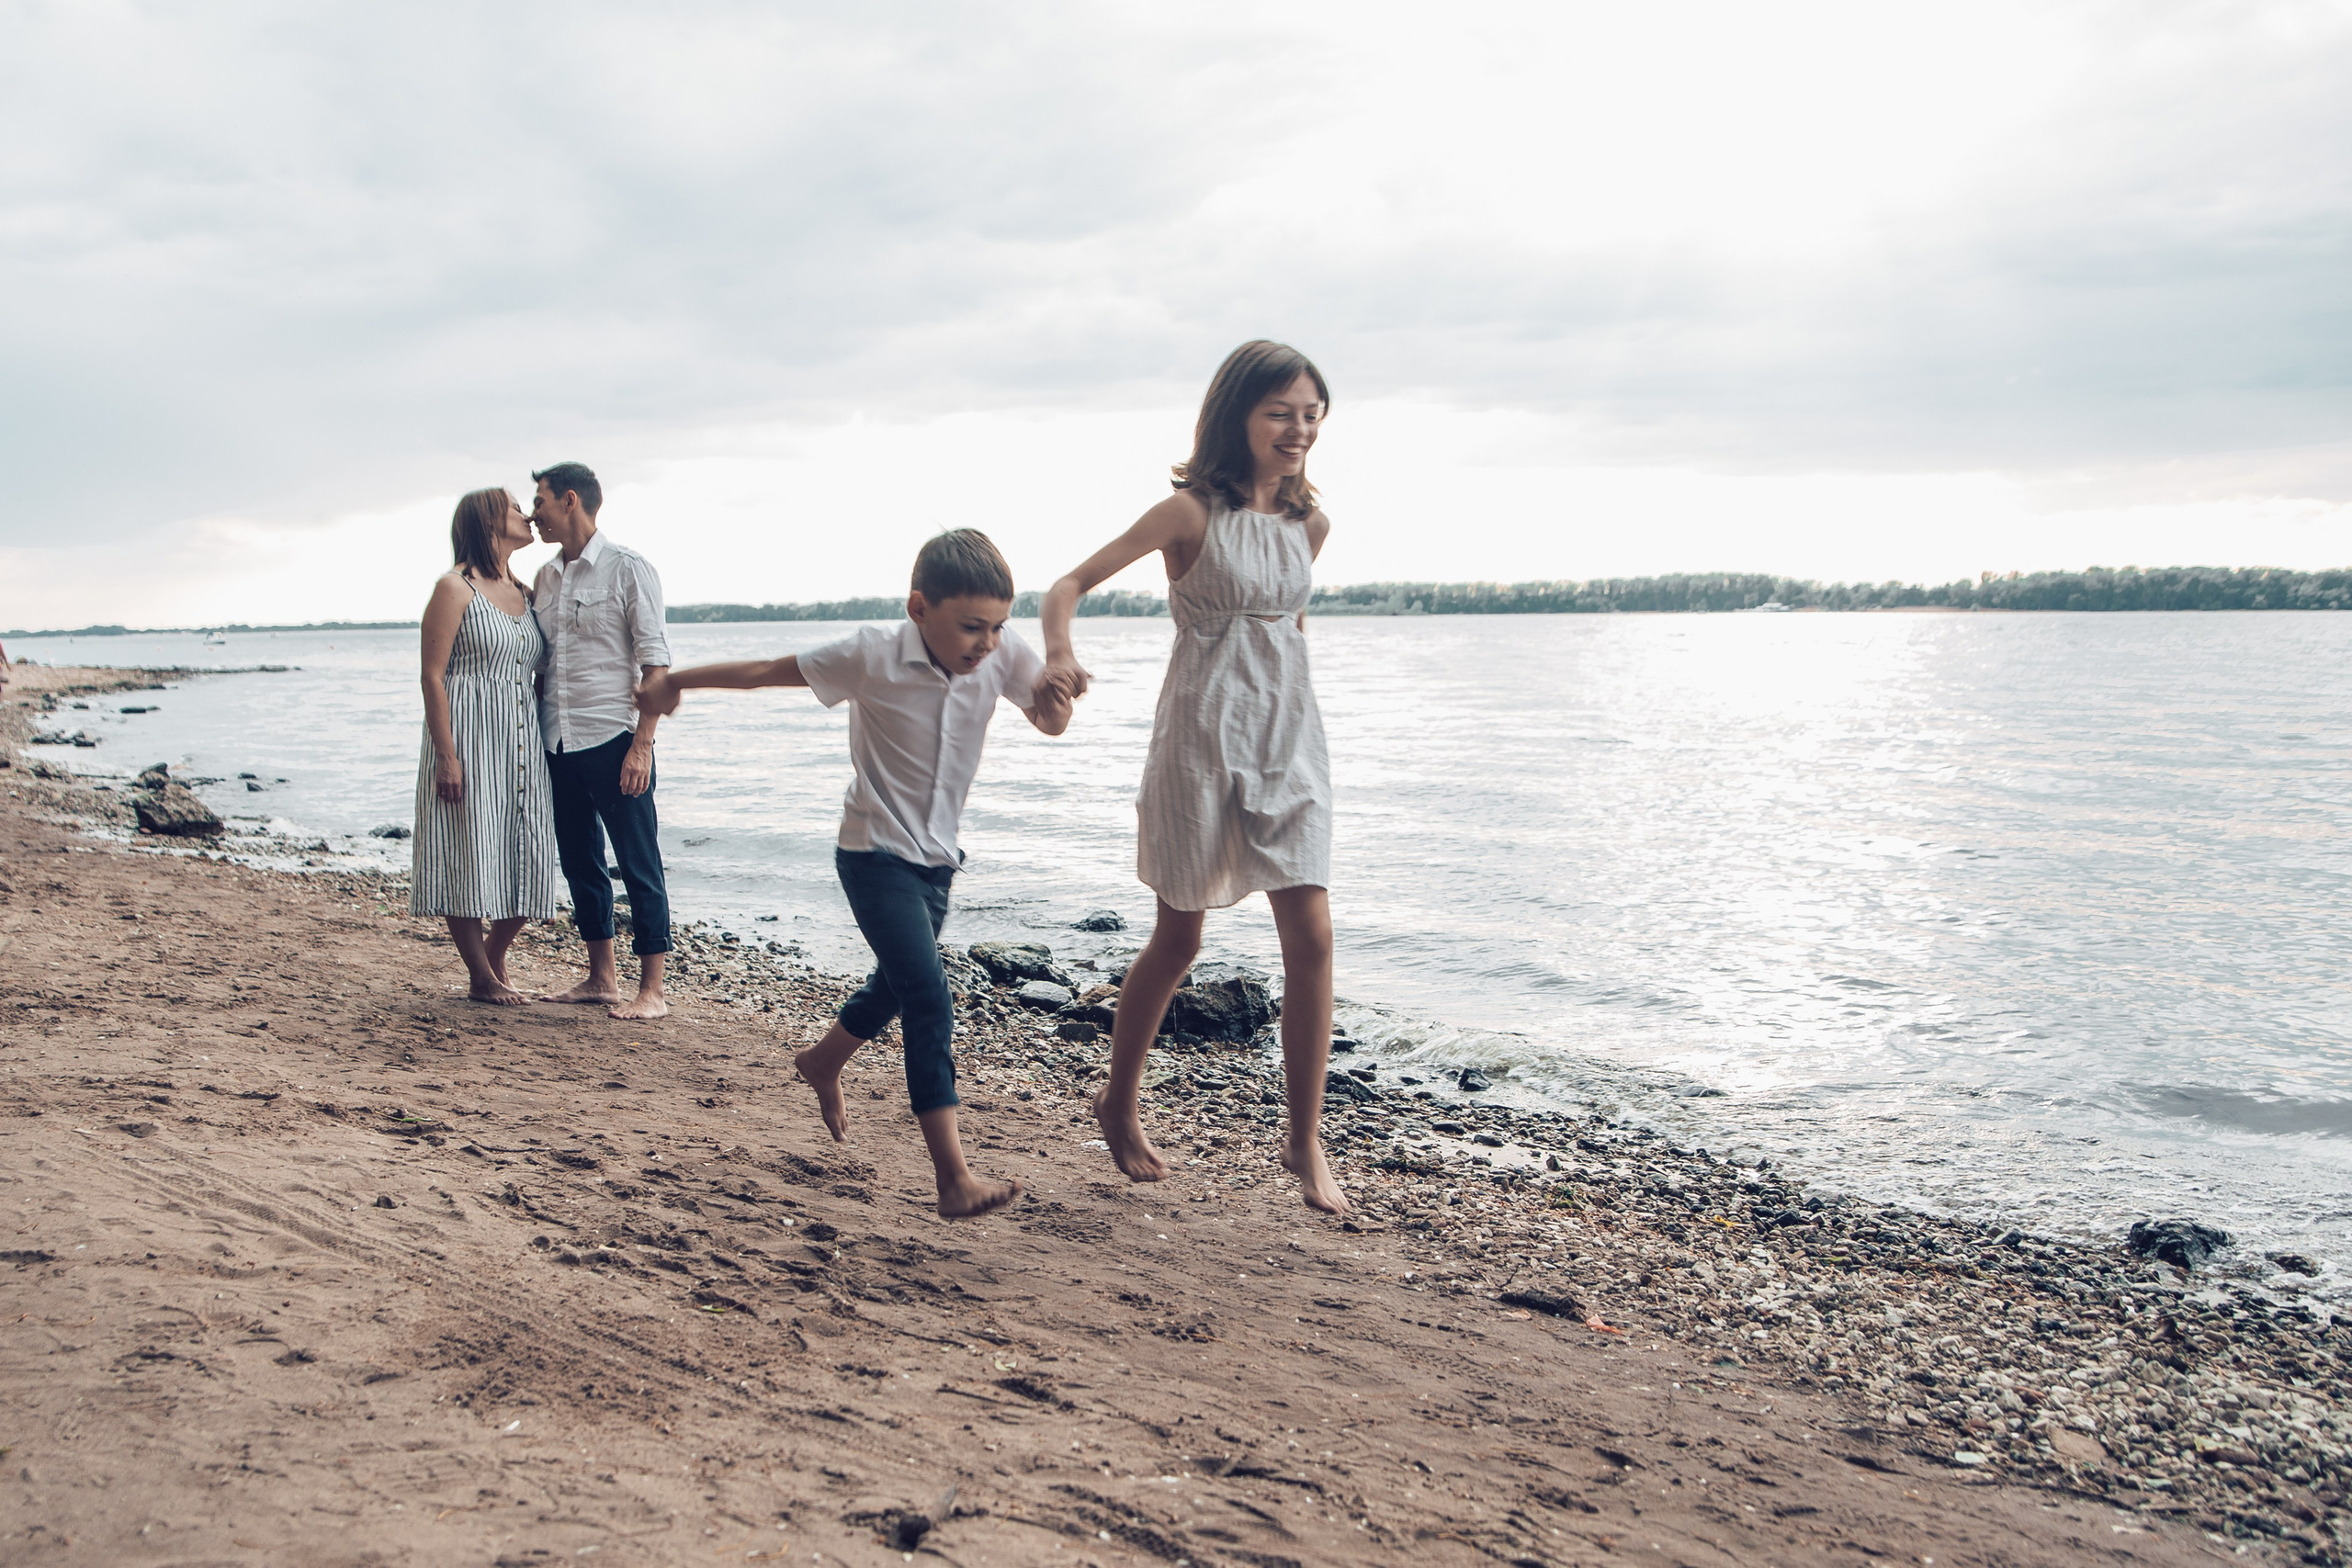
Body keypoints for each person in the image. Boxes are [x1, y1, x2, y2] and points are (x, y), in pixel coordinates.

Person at [637, 530, 1073, 1219]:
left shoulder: (1000, 652)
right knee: (929, 994)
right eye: (970, 627)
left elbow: (1050, 721)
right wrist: (675, 682)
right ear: (919, 608)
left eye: (997, 626)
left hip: (937, 862)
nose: (986, 643)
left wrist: (1056, 693)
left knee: (895, 987)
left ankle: (822, 1061)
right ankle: (953, 1178)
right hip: (872, 854)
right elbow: (765, 670)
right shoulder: (873, 652)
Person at [1039, 340, 1345, 1214]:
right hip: (1199, 737)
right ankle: (1118, 1100)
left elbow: (1284, 634)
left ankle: (1302, 1140)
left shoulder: (1310, 527)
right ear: (1238, 415)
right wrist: (1060, 653)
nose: (1299, 431)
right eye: (1281, 412)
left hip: (1289, 741)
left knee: (1313, 934)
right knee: (1179, 940)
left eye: (1312, 416)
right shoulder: (1188, 515)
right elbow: (1066, 584)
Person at [528, 461, 674, 1021]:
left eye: (538, 501)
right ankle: (601, 977)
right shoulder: (545, 578)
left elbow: (656, 665)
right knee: (581, 862)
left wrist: (643, 744)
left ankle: (653, 989)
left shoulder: (627, 568)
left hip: (615, 737)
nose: (532, 513)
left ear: (570, 500)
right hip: (558, 741)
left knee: (639, 862)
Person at [409, 488, 561, 1002]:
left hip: (521, 742)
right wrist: (447, 756)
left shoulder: (528, 591)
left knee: (533, 849)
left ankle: (495, 955)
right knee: (467, 848)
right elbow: (433, 677)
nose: (526, 515)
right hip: (469, 737)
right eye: (515, 507)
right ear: (488, 521)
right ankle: (479, 975)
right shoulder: (454, 589)